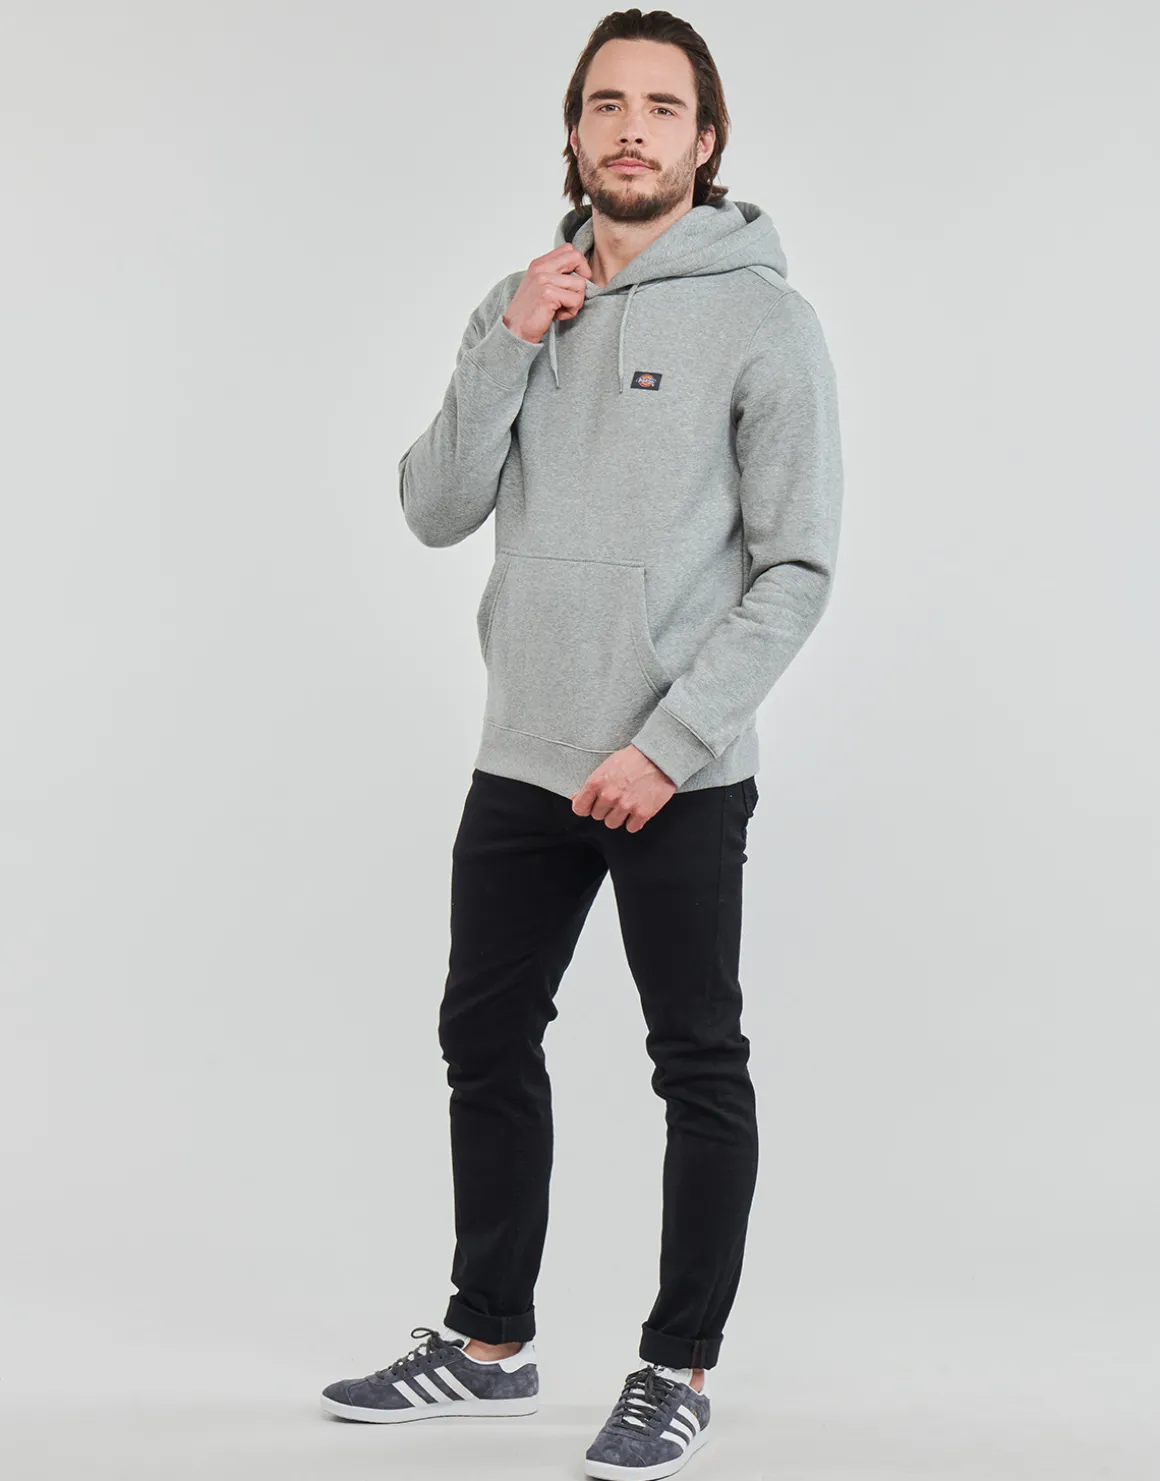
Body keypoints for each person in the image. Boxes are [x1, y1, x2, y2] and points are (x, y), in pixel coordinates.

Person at [320, 10, 843, 1478]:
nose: (632, 129)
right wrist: (510, 343)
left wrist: (670, 745)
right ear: (573, 132)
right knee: (483, 1039)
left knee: (697, 1064)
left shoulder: (766, 323)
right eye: (607, 104)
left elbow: (796, 569)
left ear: (705, 141)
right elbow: (433, 509)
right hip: (524, 751)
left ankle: (677, 1366)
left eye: (662, 108)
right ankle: (488, 1345)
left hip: (676, 770)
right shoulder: (518, 302)